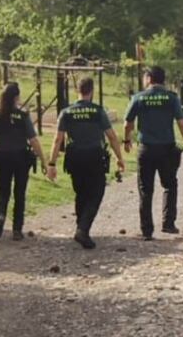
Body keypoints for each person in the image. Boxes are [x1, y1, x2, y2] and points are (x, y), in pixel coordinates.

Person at [47, 77, 125, 249]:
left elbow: (57, 139)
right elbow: (111, 136)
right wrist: (119, 157)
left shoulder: (66, 112)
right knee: (96, 192)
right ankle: (83, 229)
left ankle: (81, 228)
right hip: (94, 156)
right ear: (92, 91)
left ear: (78, 90)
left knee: (80, 192)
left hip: (74, 157)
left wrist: (51, 164)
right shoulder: (98, 112)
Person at [123, 66, 183, 240]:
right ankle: (168, 223)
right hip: (167, 148)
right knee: (170, 185)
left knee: (145, 189)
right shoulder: (172, 98)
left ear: (149, 78)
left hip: (146, 148)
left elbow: (128, 123)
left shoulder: (139, 98)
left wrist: (127, 140)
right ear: (162, 80)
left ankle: (146, 230)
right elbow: (182, 123)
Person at [0, 82, 48, 241]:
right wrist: (43, 160)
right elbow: (33, 139)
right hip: (20, 158)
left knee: (3, 191)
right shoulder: (22, 115)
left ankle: (0, 216)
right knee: (19, 193)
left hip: (2, 157)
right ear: (16, 97)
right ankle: (17, 230)